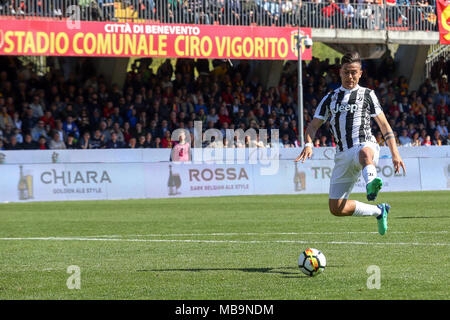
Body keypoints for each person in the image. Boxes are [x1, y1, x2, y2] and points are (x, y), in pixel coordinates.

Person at [295, 52, 406, 236]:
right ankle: (379, 211)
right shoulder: (330, 98)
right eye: (346, 72)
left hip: (365, 144)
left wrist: (395, 153)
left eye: (354, 72)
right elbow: (313, 126)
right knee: (336, 208)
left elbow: (385, 126)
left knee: (364, 153)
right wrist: (308, 144)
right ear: (340, 72)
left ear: (361, 73)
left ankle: (371, 184)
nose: (350, 76)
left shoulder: (368, 94)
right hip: (342, 155)